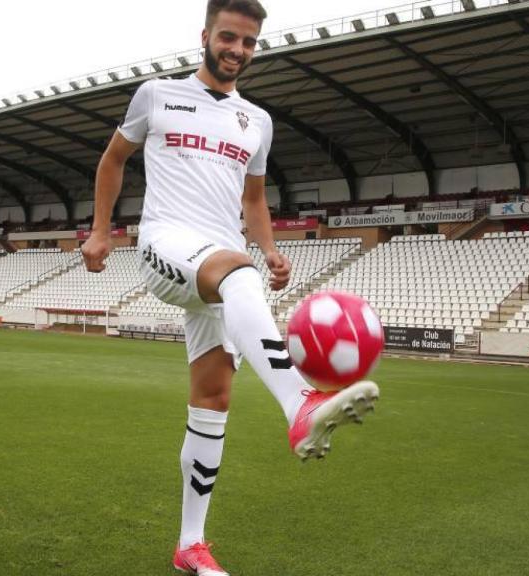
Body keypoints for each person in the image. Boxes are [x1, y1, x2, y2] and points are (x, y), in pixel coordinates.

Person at [81, 1, 379, 573]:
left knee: (213, 399)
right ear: (205, 36)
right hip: (165, 244)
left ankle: (189, 544)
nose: (236, 50)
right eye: (228, 37)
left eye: (248, 42)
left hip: (225, 259)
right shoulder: (156, 94)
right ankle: (300, 402)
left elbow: (252, 199)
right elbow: (114, 159)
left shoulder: (257, 121)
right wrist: (100, 230)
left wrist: (269, 249)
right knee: (237, 272)